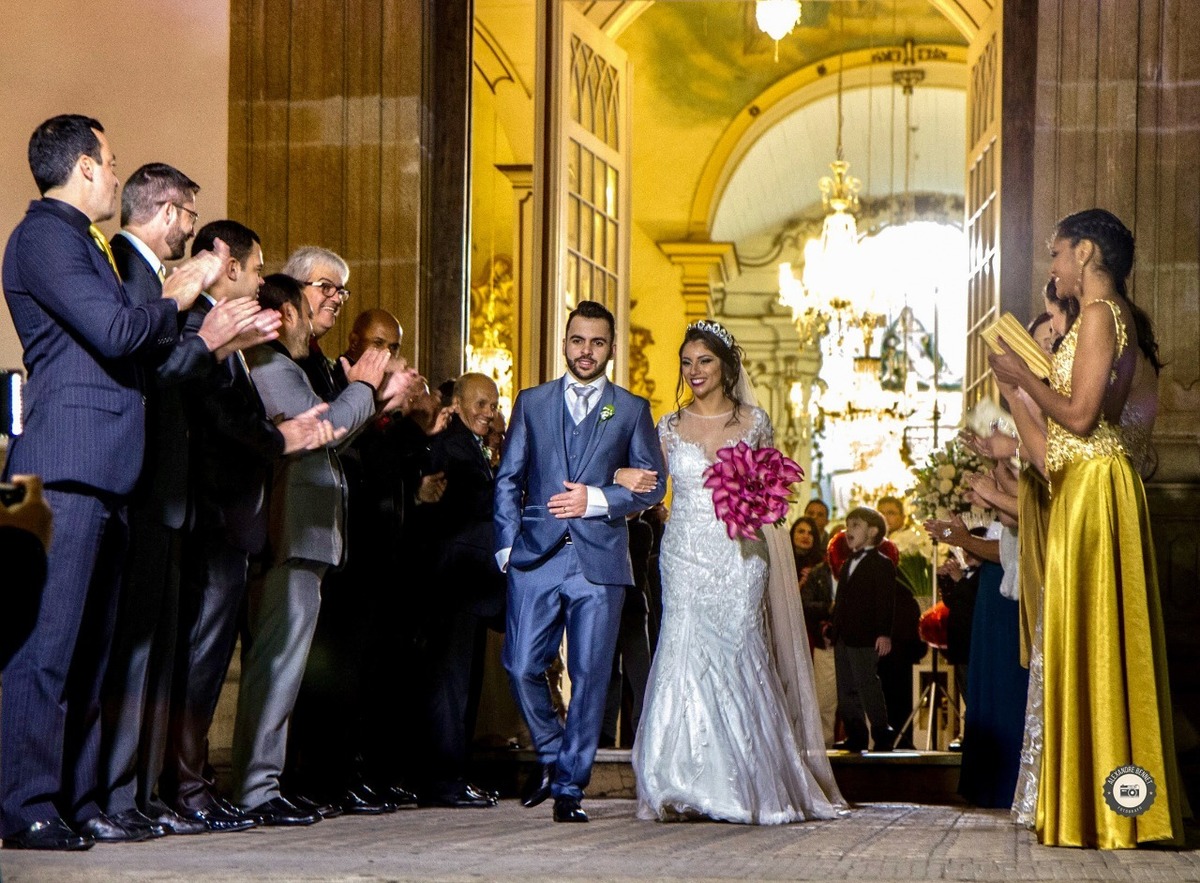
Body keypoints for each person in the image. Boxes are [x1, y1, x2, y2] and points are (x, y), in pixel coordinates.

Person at [0, 115, 225, 851]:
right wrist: (181, 294)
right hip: (59, 466)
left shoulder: (86, 243)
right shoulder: (43, 238)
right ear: (85, 168)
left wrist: (170, 310)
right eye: (111, 161)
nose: (118, 175)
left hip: (105, 468)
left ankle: (83, 796)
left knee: (95, 651)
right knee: (46, 648)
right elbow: (120, 332)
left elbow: (134, 333)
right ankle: (26, 803)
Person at [990, 208, 1182, 848]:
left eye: (1055, 253)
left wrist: (1026, 380)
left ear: (1085, 252)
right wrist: (1018, 396)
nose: (1051, 268)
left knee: (1101, 639)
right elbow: (1053, 451)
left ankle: (1116, 806)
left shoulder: (1101, 315)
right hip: (1080, 487)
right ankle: (1096, 801)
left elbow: (1077, 416)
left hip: (1097, 490)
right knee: (1084, 641)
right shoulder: (1100, 319)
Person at [99, 164, 279, 839]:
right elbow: (164, 377)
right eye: (189, 217)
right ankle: (140, 793)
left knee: (165, 660)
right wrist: (209, 340)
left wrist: (219, 342)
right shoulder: (136, 277)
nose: (193, 235)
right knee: (145, 659)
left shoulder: (182, 298)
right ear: (170, 211)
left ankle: (147, 792)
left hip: (179, 498)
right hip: (160, 487)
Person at [626, 320, 845, 824]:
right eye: (687, 362)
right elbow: (651, 490)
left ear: (725, 365)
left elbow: (768, 488)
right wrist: (622, 478)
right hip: (683, 552)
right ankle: (676, 779)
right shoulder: (668, 426)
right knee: (682, 649)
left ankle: (743, 780)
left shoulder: (753, 421)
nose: (694, 371)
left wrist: (758, 506)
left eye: (704, 361)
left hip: (739, 553)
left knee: (738, 646)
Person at [494, 300, 666, 824]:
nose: (585, 351)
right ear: (564, 343)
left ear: (611, 347)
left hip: (601, 559)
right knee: (521, 664)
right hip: (535, 555)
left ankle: (569, 785)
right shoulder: (532, 402)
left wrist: (596, 498)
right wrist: (506, 546)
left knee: (591, 675)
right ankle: (551, 753)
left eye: (596, 342)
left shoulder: (630, 409)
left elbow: (651, 484)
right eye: (577, 341)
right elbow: (509, 477)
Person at [230, 274, 388, 825]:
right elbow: (324, 430)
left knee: (286, 667)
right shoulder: (271, 364)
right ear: (287, 314)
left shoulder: (287, 365)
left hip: (309, 536)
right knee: (275, 666)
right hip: (289, 533)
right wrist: (365, 389)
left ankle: (266, 782)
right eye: (304, 307)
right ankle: (256, 786)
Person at [830, 507, 896, 754]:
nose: (849, 531)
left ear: (873, 531)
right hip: (844, 636)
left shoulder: (881, 563)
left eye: (856, 525)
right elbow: (843, 600)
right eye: (848, 525)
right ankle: (856, 733)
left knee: (867, 683)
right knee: (845, 687)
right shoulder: (848, 563)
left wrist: (883, 633)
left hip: (865, 635)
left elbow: (885, 601)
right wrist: (834, 629)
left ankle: (882, 731)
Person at [792, 516, 837, 747]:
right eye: (800, 531)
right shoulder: (787, 562)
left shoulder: (820, 566)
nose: (805, 536)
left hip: (816, 636)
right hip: (800, 633)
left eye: (810, 532)